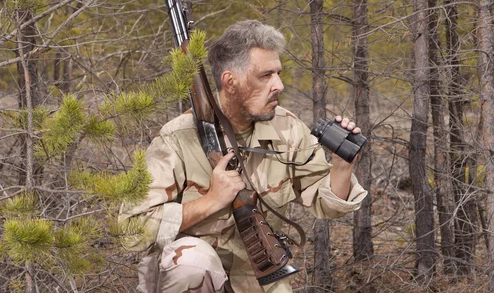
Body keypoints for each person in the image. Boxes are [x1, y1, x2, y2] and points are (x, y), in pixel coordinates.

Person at [119, 20, 368, 293]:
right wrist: (211, 201)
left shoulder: (287, 128)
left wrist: (342, 166)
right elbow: (132, 229)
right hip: (195, 280)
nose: (279, 85)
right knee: (191, 262)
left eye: (278, 73)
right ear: (230, 82)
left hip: (260, 278)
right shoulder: (177, 138)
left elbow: (327, 204)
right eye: (265, 76)